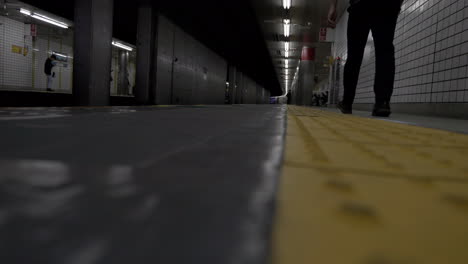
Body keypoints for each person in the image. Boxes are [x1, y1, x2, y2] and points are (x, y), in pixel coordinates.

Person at [328, 0, 403, 117]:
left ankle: (347, 102)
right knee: (385, 51)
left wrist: (333, 6)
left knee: (354, 54)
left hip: (360, 5)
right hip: (388, 5)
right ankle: (382, 102)